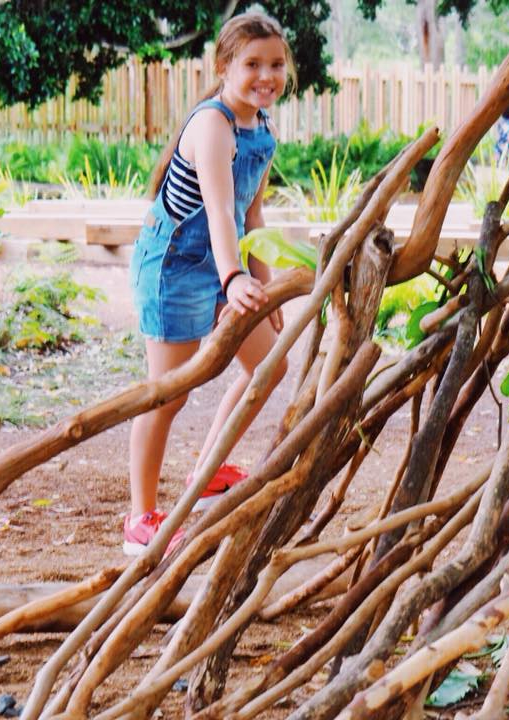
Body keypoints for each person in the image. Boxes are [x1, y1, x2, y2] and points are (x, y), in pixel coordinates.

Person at [124, 12, 295, 556]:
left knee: (269, 366)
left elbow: (251, 212)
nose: (266, 75)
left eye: (276, 64)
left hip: (227, 267)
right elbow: (219, 210)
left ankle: (208, 469)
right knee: (167, 396)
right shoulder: (213, 124)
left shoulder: (261, 128)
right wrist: (235, 277)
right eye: (252, 64)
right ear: (224, 67)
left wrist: (262, 286)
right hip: (175, 267)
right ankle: (140, 520)